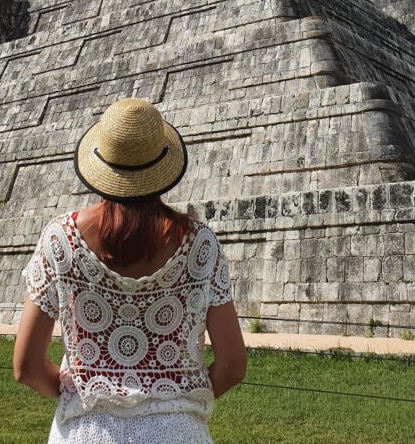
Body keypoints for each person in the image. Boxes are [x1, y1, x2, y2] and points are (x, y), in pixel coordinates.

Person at [13, 96, 247, 443]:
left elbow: (27, 367)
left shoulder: (61, 239)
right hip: (177, 431)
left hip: (87, 432)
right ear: (162, 162)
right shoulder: (199, 244)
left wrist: (78, 394)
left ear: (102, 162)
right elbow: (232, 365)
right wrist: (176, 399)